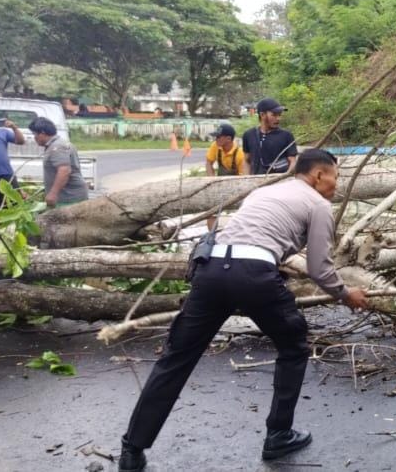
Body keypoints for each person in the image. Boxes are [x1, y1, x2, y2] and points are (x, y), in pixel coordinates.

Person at [117, 149, 370, 472]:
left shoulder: (264, 191)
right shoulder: (318, 204)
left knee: (175, 358)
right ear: (319, 175)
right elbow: (320, 268)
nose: (337, 184)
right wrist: (346, 294)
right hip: (252, 274)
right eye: (336, 176)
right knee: (294, 345)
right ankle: (278, 434)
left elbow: (255, 234)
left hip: (210, 270)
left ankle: (132, 450)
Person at [27, 118, 89, 208]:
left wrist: (53, 193)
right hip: (66, 197)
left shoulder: (57, 147)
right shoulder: (55, 145)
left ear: (43, 133)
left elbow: (64, 170)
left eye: (35, 134)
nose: (34, 138)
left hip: (69, 198)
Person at [241, 97, 298, 175]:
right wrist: (246, 179)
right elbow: (247, 160)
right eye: (274, 115)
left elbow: (293, 161)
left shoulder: (286, 136)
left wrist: (285, 177)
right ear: (262, 115)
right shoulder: (249, 135)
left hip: (280, 183)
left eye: (279, 115)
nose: (278, 118)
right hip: (257, 183)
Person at [204, 123, 244, 230]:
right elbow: (209, 163)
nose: (216, 139)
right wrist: (211, 179)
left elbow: (243, 178)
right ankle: (211, 234)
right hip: (219, 184)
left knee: (241, 211)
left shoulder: (240, 154)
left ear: (228, 139)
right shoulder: (215, 146)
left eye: (218, 137)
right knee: (212, 210)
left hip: (236, 186)